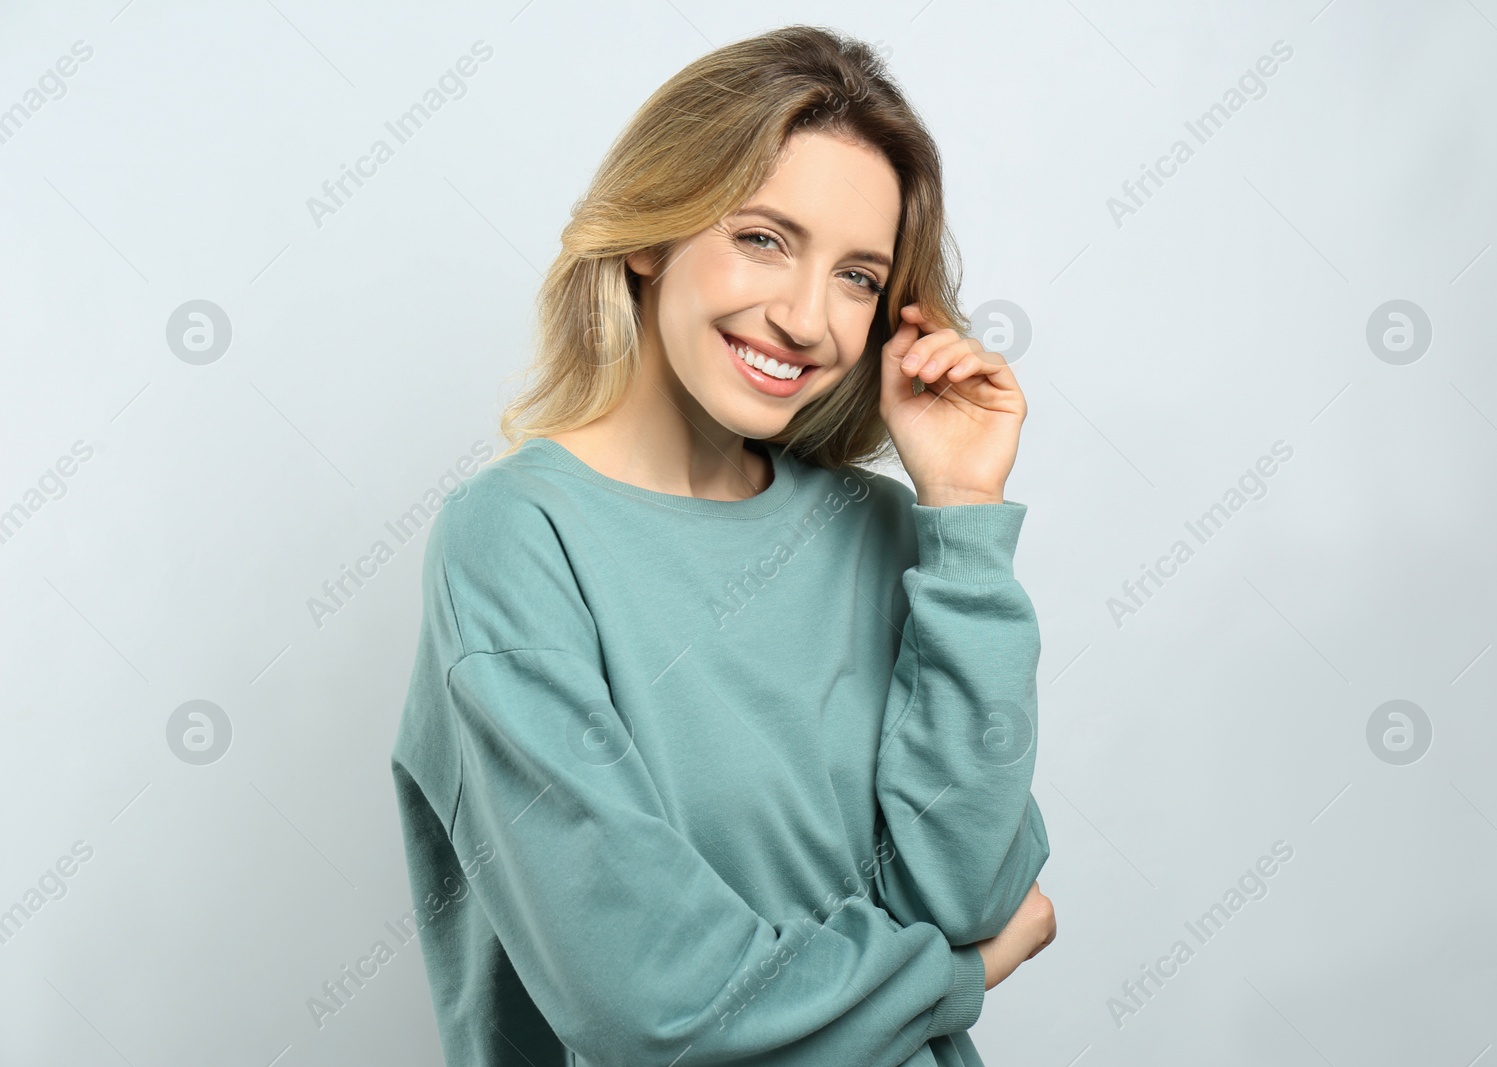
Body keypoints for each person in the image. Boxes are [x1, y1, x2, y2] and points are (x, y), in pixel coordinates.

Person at [390, 24, 1055, 1067]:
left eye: (857, 275)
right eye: (763, 237)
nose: (803, 317)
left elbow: (968, 889)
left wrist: (965, 513)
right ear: (651, 231)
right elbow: (657, 1008)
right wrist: (959, 976)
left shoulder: (884, 532)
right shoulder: (517, 539)